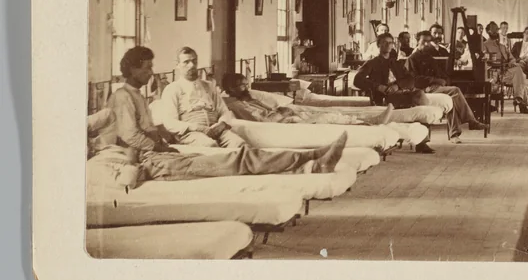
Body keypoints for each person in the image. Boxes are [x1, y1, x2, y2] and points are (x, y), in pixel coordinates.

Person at [96, 46, 347, 181]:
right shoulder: (122, 96)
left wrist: (163, 142)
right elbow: (132, 137)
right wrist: (163, 146)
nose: (151, 73)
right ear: (132, 69)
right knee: (236, 160)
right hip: (150, 160)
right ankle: (309, 161)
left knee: (239, 155)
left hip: (159, 154)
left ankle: (310, 160)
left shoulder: (138, 95)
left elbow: (147, 131)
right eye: (147, 68)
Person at [353, 34, 439, 152]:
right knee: (419, 97)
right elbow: (357, 80)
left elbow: (411, 79)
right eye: (385, 43)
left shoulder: (396, 63)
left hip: (400, 94)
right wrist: (377, 86)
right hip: (384, 98)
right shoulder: (372, 63)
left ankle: (421, 140)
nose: (389, 45)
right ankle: (421, 143)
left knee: (419, 98)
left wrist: (397, 85)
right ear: (378, 45)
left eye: (391, 43)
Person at [221, 73, 395, 126]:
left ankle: (368, 121)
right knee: (326, 117)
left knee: (329, 114)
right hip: (283, 122)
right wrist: (284, 111)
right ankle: (368, 123)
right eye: (242, 85)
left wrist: (282, 109)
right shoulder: (236, 105)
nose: (246, 88)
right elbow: (261, 120)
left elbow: (269, 108)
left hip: (285, 116)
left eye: (246, 83)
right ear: (230, 89)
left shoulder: (248, 97)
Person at [157, 47, 246, 149]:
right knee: (210, 146)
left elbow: (224, 111)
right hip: (191, 133)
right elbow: (170, 122)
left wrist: (222, 124)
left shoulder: (209, 85)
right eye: (186, 62)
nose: (192, 65)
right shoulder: (172, 89)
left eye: (194, 61)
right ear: (177, 65)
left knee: (240, 145)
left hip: (216, 130)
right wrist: (196, 127)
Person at [481, 22, 528, 114]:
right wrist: (501, 64)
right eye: (494, 30)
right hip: (495, 74)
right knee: (522, 77)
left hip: (506, 73)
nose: (496, 32)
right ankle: (521, 104)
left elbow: (511, 58)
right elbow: (485, 61)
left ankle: (518, 99)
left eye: (497, 30)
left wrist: (512, 63)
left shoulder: (502, 46)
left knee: (519, 71)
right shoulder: (485, 45)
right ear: (488, 31)